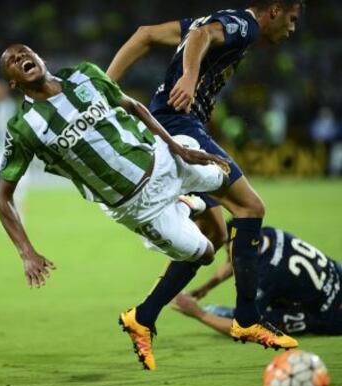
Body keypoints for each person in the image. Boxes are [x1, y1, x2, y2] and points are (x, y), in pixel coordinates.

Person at [107, 0, 304, 348]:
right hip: (179, 125)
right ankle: (247, 319)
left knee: (211, 240)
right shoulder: (245, 26)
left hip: (167, 125)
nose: (292, 28)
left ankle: (143, 317)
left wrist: (104, 86)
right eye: (291, 19)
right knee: (250, 208)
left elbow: (145, 35)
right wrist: (189, 75)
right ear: (274, 10)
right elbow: (201, 35)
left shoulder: (220, 20)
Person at [172, 225, 342, 337]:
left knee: (262, 325)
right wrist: (207, 287)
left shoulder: (265, 276)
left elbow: (243, 328)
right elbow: (237, 260)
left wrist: (197, 313)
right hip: (337, 276)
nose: (231, 259)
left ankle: (229, 313)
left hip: (332, 313)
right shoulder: (268, 234)